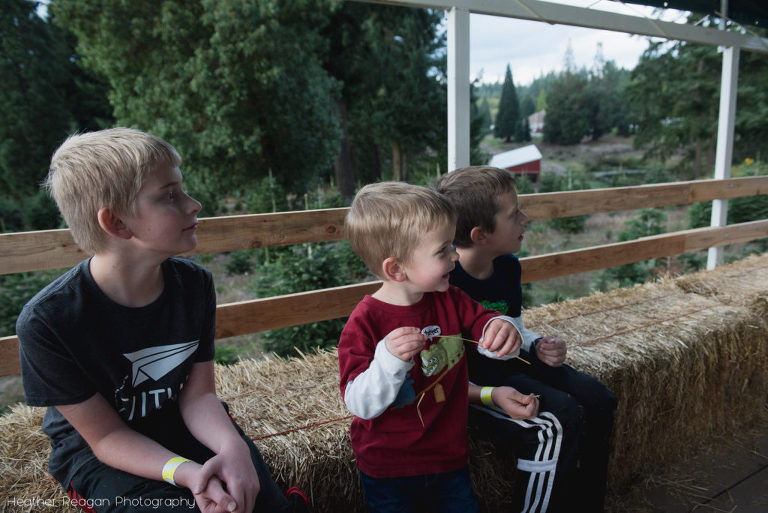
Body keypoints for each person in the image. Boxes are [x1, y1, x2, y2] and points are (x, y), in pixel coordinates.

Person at [16, 128, 310, 513]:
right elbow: (105, 437)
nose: (194, 204)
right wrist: (187, 473)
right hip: (100, 456)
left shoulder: (194, 285)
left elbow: (199, 395)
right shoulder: (47, 321)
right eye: (170, 196)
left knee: (255, 499)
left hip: (179, 423)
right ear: (118, 223)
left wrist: (234, 447)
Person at [338, 181, 538, 513]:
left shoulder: (450, 298)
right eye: (442, 250)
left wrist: (497, 327)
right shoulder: (365, 322)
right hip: (389, 470)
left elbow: (481, 320)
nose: (455, 256)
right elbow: (358, 402)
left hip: (449, 460)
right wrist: (388, 361)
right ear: (397, 268)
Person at [435, 166, 618, 513]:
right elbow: (444, 366)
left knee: (598, 399)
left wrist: (537, 344)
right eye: (513, 213)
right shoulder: (447, 281)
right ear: (480, 235)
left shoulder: (507, 267)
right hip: (477, 382)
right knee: (563, 412)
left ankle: (587, 500)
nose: (525, 218)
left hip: (509, 364)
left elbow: (514, 326)